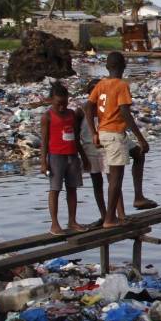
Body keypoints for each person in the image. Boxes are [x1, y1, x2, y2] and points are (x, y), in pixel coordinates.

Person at [85, 52, 157, 228]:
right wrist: (141, 138)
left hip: (107, 134)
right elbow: (125, 112)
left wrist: (94, 131)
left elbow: (88, 106)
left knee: (138, 155)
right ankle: (110, 219)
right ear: (124, 66)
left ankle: (138, 197)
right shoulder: (121, 85)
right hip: (114, 135)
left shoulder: (101, 84)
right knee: (116, 178)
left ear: (107, 67)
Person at [40, 81, 91, 234]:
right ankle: (54, 224)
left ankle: (72, 221)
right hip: (56, 157)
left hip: (72, 155)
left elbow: (76, 138)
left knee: (72, 188)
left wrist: (84, 157)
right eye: (58, 104)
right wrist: (43, 162)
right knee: (55, 189)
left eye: (64, 103)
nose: (62, 107)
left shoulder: (71, 114)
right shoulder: (47, 116)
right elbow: (44, 141)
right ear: (50, 101)